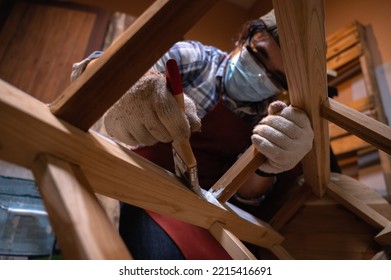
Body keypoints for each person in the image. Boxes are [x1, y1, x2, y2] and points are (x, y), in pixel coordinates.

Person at [71, 10, 327, 259]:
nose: (260, 74)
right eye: (258, 55)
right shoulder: (195, 58)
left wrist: (269, 167)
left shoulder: (267, 116)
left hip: (204, 206)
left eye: (275, 77)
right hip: (146, 181)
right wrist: (128, 88)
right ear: (242, 39)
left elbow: (244, 196)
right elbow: (104, 68)